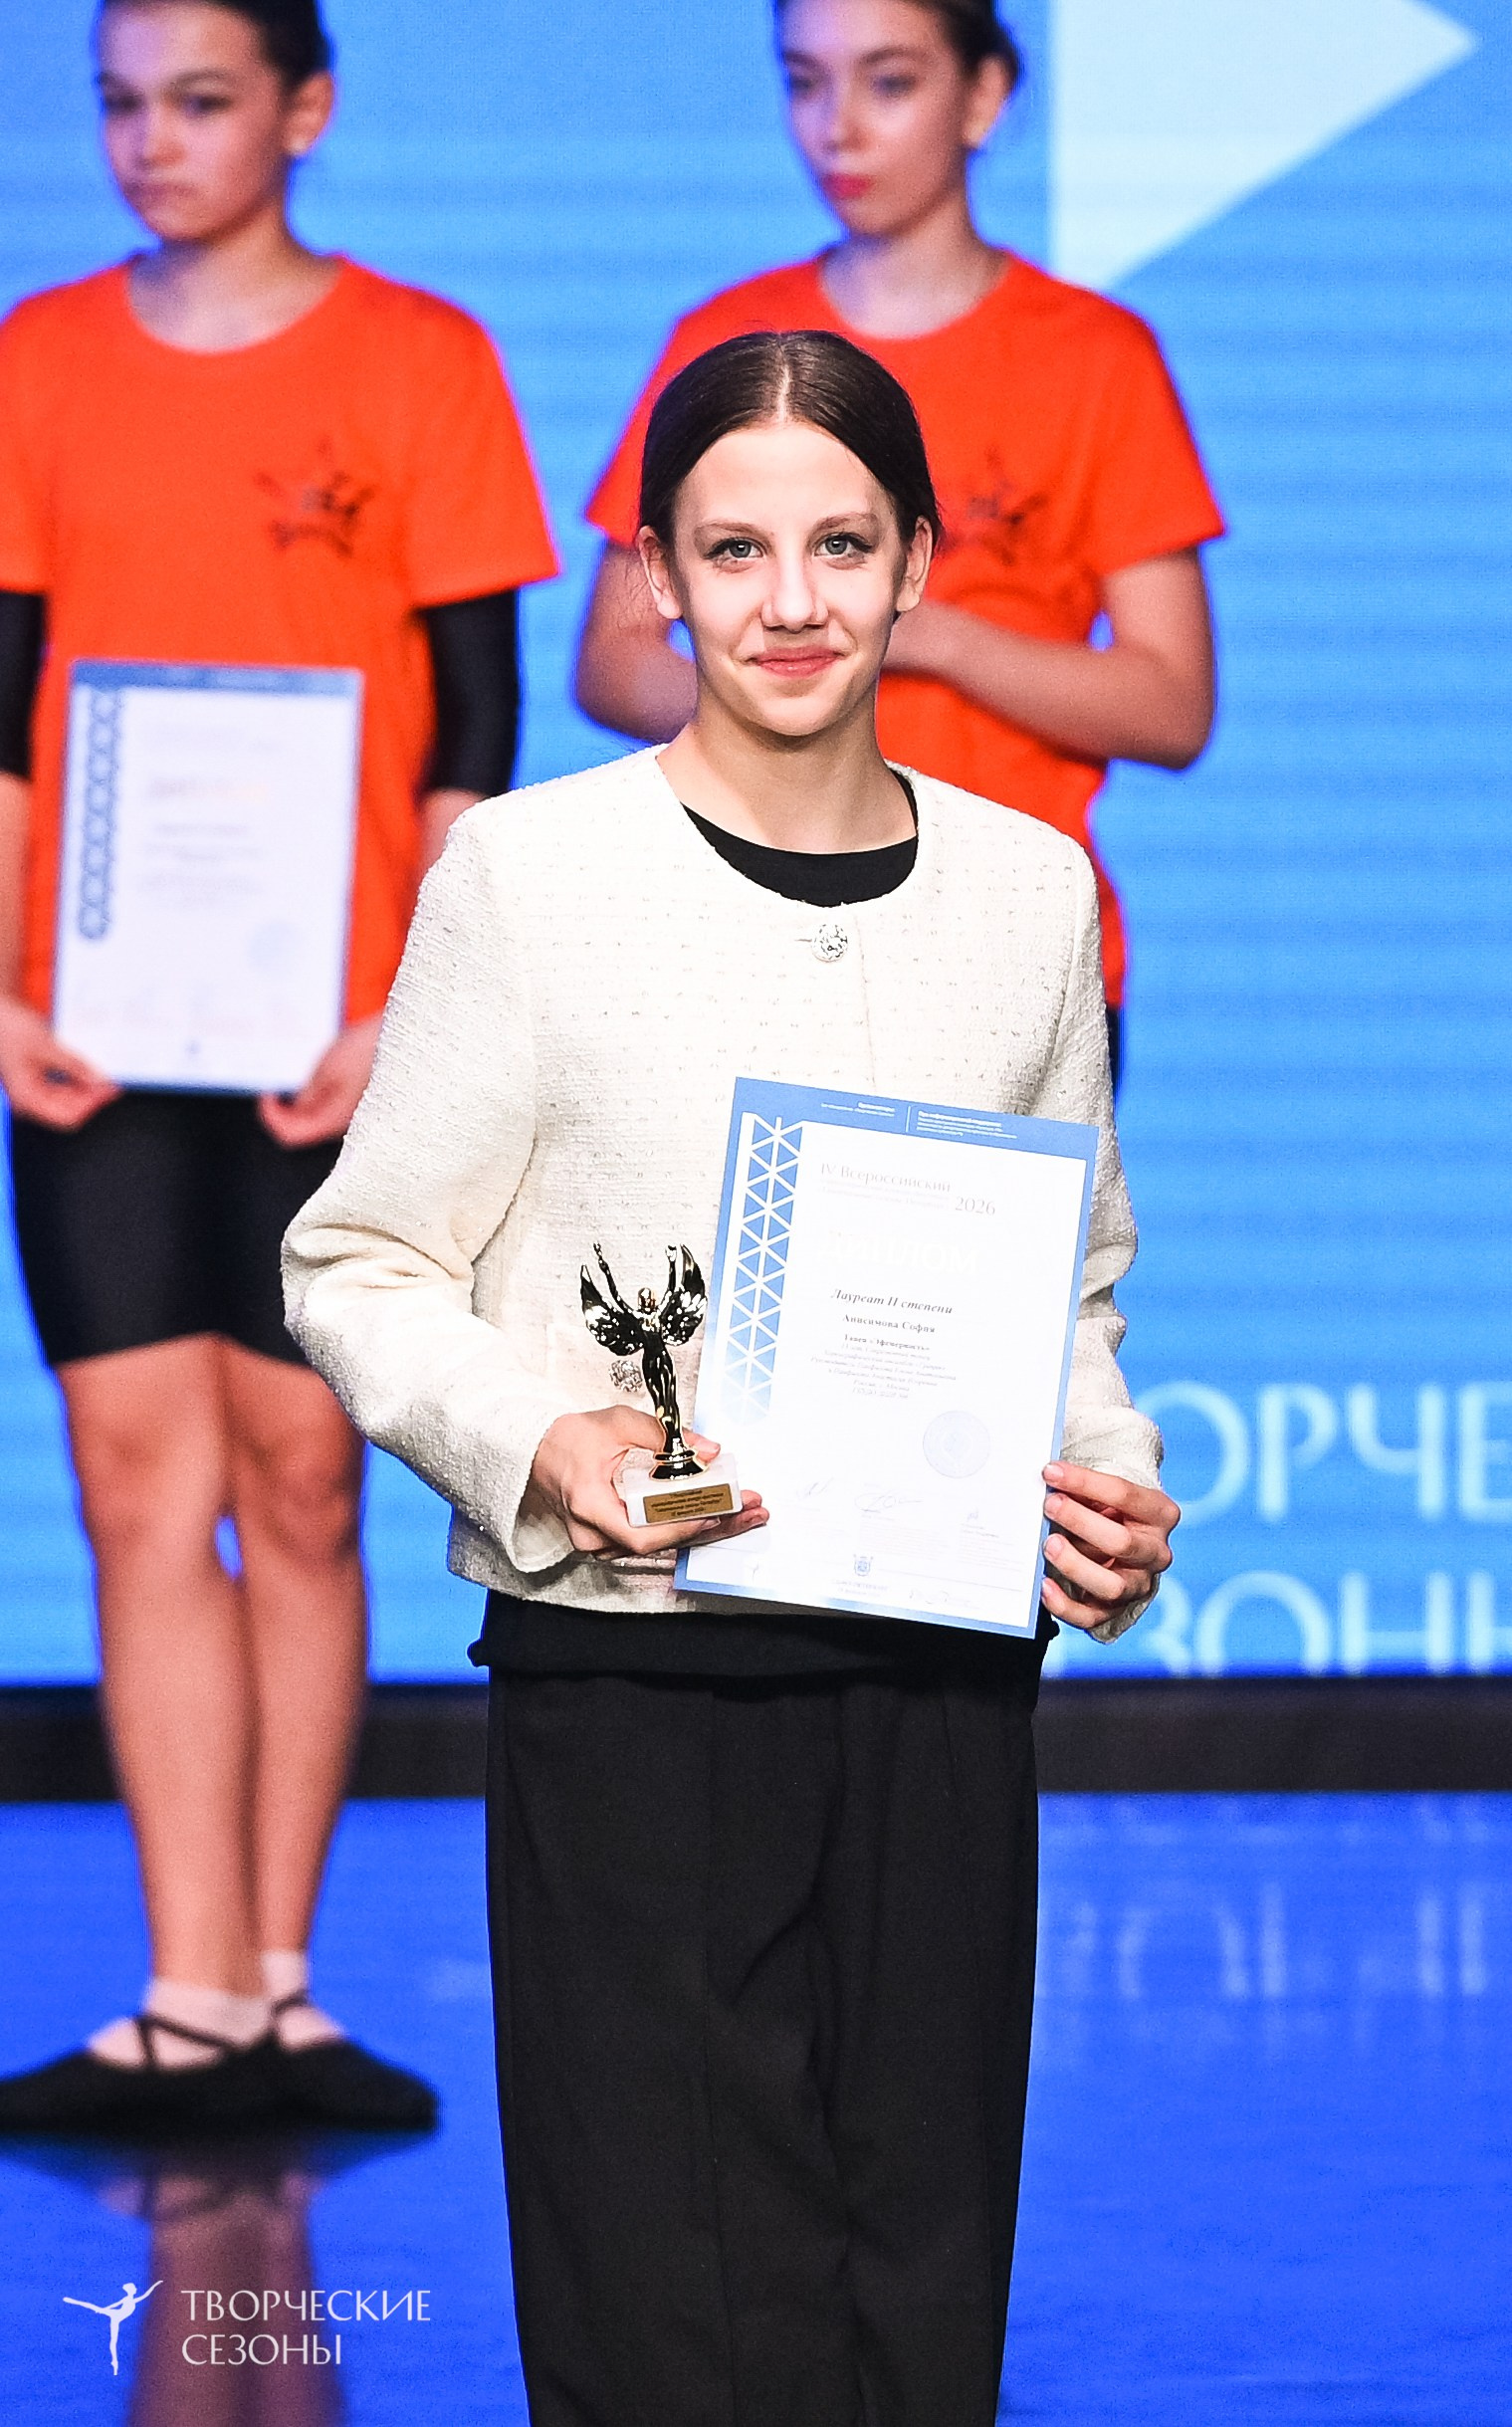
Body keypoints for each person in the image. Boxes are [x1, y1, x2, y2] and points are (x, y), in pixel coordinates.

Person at [285, 329, 1179, 2427]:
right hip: (638, 1685)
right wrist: (544, 1434)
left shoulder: (1029, 894)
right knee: (667, 2310)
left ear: (918, 564)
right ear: (658, 579)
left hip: (940, 1682)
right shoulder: (530, 875)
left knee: (916, 2284)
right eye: (733, 548)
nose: (790, 600)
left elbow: (1067, 1282)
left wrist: (1105, 1483)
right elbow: (359, 1259)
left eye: (841, 545)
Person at [0, 0, 557, 2134]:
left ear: (306, 110)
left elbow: (476, 726)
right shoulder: (41, 359)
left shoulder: (420, 361)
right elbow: (4, 711)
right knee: (137, 1484)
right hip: (95, 1022)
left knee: (306, 1482)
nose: (152, 141)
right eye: (119, 105)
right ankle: (186, 1990)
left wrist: (409, 1003)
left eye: (202, 100)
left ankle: (287, 1984)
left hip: (343, 1031)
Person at [574, 0, 1224, 1083]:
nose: (838, 128)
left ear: (983, 95)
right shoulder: (725, 339)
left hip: (1004, 951)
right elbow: (614, 656)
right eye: (803, 81)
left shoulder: (1094, 358)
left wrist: (930, 638)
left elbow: (1170, 703)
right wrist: (787, 680)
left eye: (889, 82)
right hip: (746, 931)